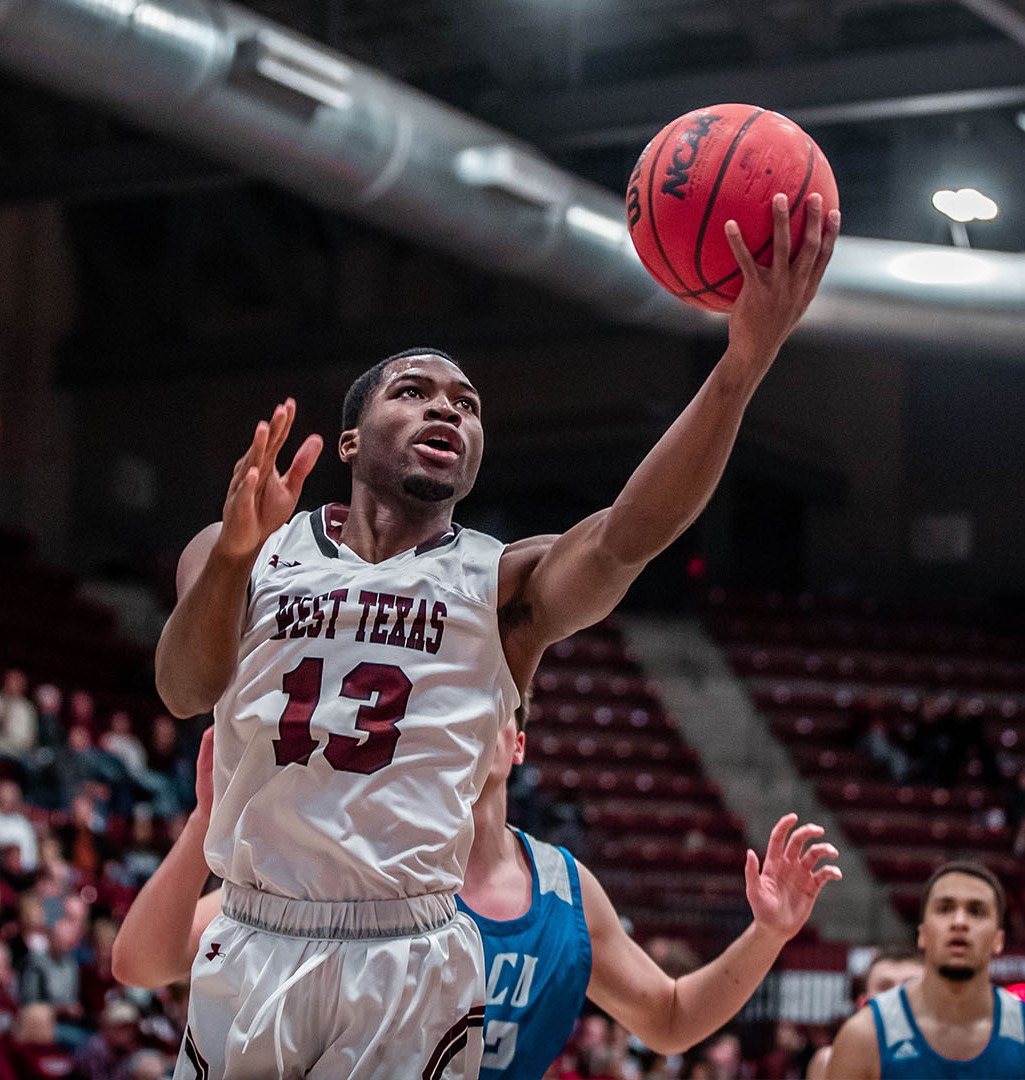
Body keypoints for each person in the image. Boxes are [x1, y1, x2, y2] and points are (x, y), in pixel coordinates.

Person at [149, 190, 838, 1077]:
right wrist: (235, 559)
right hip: (253, 927)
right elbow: (182, 690)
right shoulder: (241, 548)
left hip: (410, 947)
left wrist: (741, 365)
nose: (448, 410)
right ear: (352, 441)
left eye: (467, 405)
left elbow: (631, 531)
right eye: (416, 392)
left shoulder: (503, 583)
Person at [118, 716, 844, 1080]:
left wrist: (769, 935)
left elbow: (673, 1019)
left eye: (474, 709)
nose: (454, 727)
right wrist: (201, 828)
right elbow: (143, 962)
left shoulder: (564, 889)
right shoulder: (348, 857)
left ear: (515, 741)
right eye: (440, 709)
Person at [825, 861, 1025, 1079]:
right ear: (922, 934)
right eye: (945, 909)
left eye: (977, 912)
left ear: (999, 939)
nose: (960, 922)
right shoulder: (862, 1037)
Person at [805, 946, 926, 1080]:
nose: (897, 996)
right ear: (863, 1002)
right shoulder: (830, 1061)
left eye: (910, 986)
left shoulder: (952, 1053)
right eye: (885, 987)